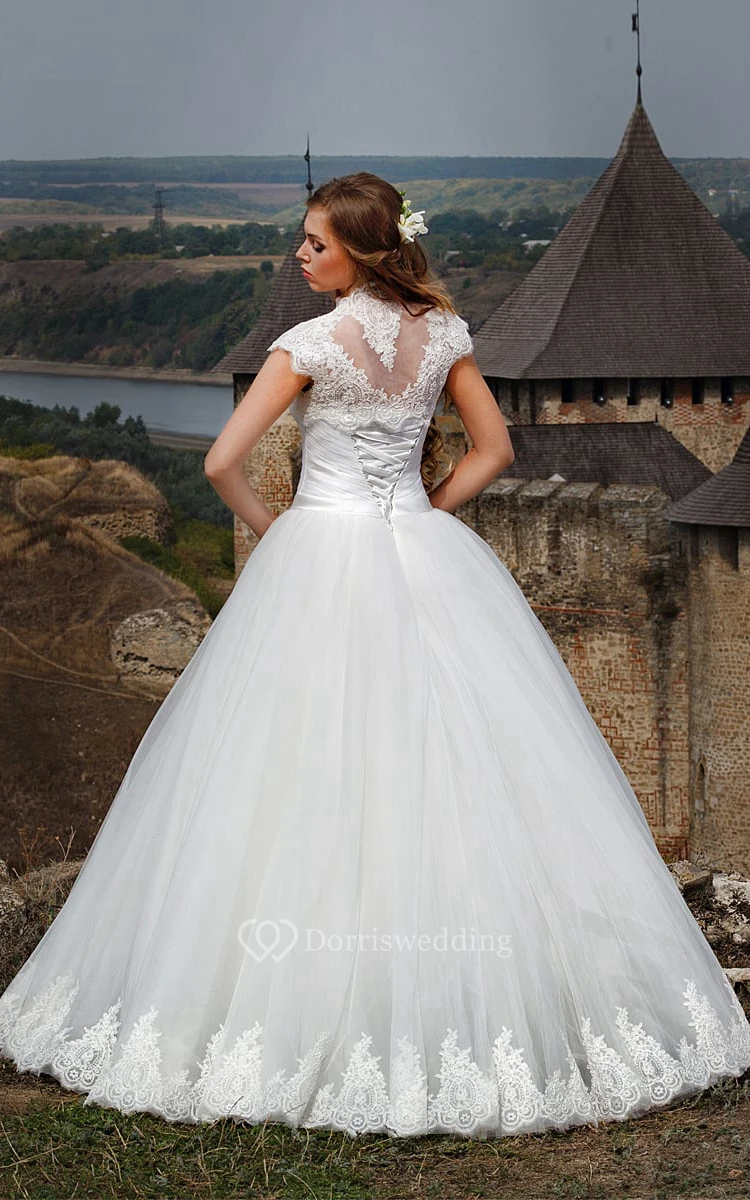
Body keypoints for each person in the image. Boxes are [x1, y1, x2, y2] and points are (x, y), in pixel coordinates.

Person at [1, 172, 749, 1142]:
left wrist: (275, 528)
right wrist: (428, 510)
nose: (300, 255)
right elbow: (496, 451)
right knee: (455, 767)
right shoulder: (445, 334)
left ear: (357, 249)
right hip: (425, 551)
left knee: (296, 771)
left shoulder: (309, 345)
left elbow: (220, 461)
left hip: (321, 552)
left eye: (315, 242)